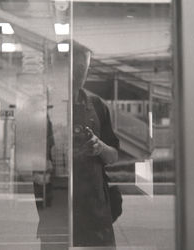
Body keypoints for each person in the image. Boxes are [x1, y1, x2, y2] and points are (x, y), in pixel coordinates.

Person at [72, 40, 119, 247]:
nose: (80, 74)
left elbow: (113, 156)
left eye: (85, 68)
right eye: (76, 67)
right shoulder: (45, 108)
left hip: (97, 213)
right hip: (59, 211)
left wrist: (99, 147)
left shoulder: (97, 106)